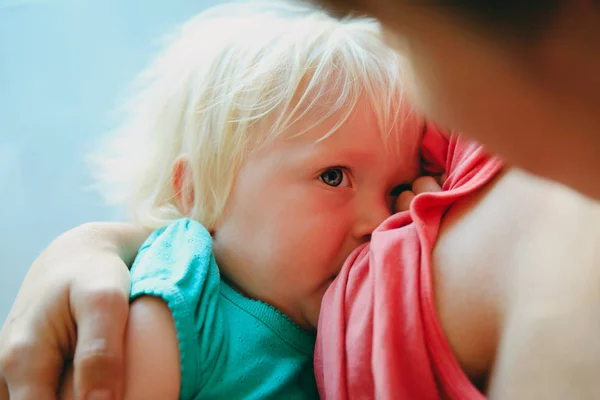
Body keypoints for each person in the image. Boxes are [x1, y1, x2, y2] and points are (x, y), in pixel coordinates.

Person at [2, 0, 600, 399]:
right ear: (193, 193)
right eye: (334, 176)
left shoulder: (308, 320)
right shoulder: (182, 295)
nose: (378, 220)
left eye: (397, 189)